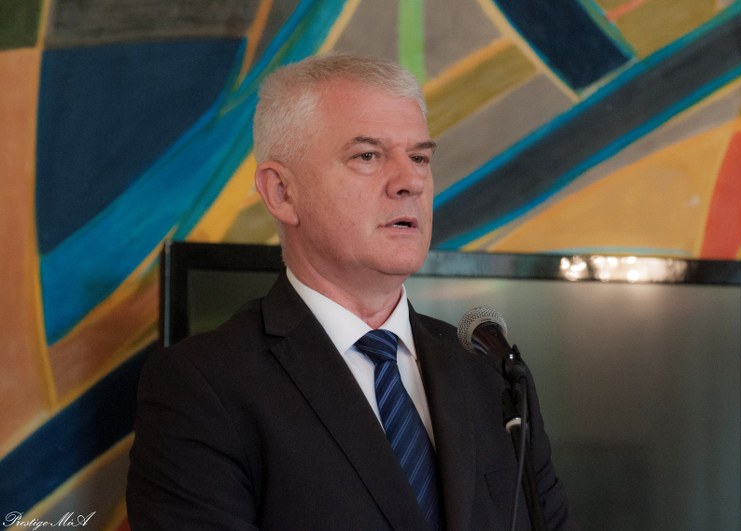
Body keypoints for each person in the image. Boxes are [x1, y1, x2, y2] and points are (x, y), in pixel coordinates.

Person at [126, 53, 576, 530]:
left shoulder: (491, 373)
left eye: (419, 158)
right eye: (368, 156)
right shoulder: (203, 387)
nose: (410, 182)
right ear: (282, 193)